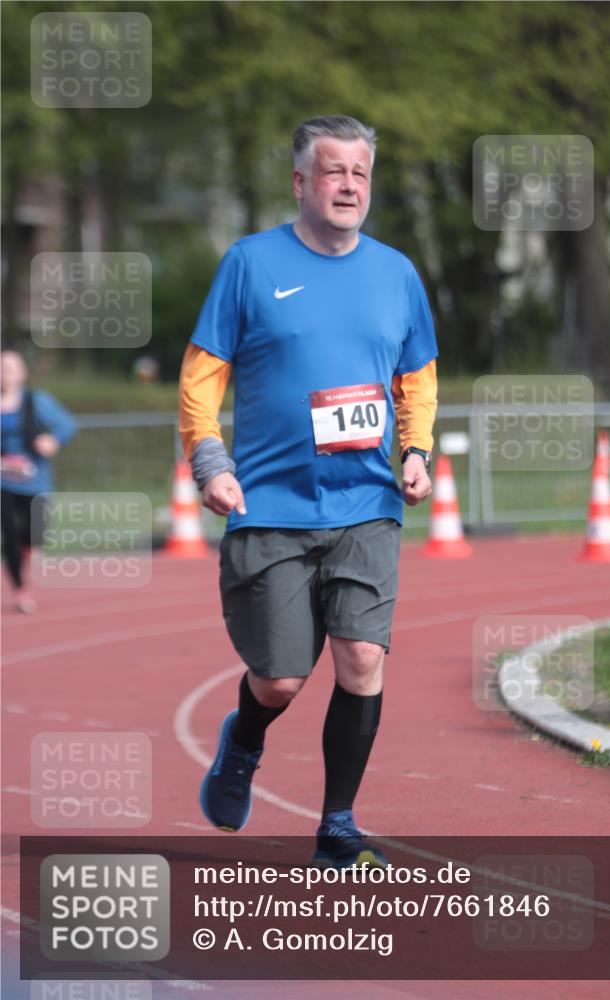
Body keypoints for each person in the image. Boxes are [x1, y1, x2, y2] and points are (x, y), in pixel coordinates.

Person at [178, 115, 438, 868]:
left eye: (360, 173)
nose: (348, 186)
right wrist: (211, 462)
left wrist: (415, 450)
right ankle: (243, 743)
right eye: (333, 172)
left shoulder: (396, 274)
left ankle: (337, 825)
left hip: (366, 502)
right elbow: (200, 378)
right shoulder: (249, 264)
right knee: (281, 679)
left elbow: (417, 377)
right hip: (270, 506)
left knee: (361, 658)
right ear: (300, 182)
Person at [1, 350, 77, 612]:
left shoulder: (37, 401)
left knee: (35, 534)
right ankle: (20, 589)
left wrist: (52, 440)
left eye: (10, 368)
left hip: (35, 480)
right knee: (9, 534)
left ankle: (29, 548)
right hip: (3, 482)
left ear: (22, 374)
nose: (5, 374)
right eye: (1, 368)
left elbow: (66, 425)